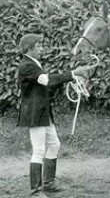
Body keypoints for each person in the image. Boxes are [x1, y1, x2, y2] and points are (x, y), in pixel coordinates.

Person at [18, 33, 88, 196]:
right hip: (35, 113)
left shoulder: (33, 64)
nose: (41, 48)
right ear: (29, 49)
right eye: (39, 46)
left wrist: (69, 79)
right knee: (38, 150)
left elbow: (45, 85)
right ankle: (35, 190)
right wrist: (73, 74)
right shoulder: (26, 66)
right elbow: (47, 80)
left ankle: (48, 184)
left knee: (54, 145)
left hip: (42, 113)